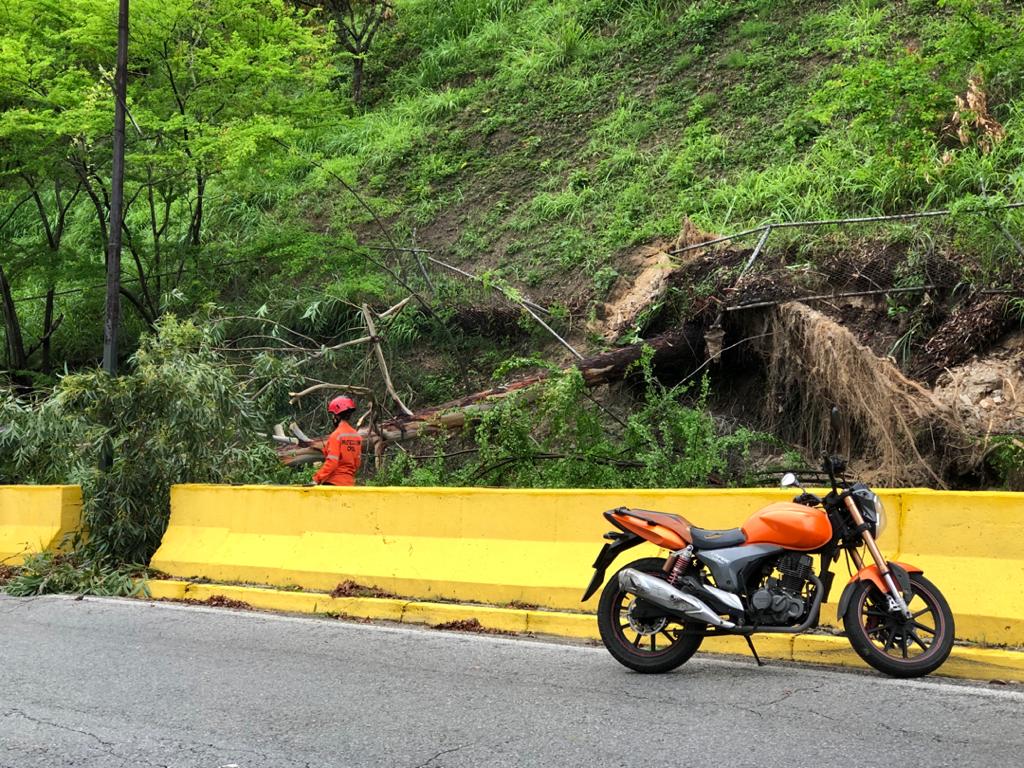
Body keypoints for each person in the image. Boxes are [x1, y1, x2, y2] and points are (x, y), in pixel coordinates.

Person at [312, 396, 363, 486]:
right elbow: (357, 463)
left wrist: (317, 478)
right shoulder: (357, 436)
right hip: (349, 484)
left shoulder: (336, 435)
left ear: (337, 416)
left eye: (333, 415)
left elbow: (332, 462)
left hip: (333, 483)